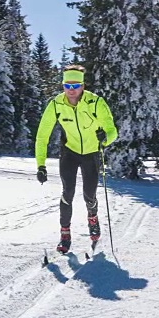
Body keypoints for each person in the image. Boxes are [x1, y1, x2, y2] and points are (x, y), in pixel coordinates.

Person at [34, 64, 118, 254]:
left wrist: (105, 139)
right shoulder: (56, 104)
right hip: (70, 152)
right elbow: (42, 136)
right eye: (67, 86)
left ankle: (93, 219)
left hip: (91, 153)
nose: (71, 90)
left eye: (76, 86)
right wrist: (41, 165)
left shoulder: (95, 103)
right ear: (62, 85)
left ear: (83, 85)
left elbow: (112, 130)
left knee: (89, 194)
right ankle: (65, 234)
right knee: (67, 193)